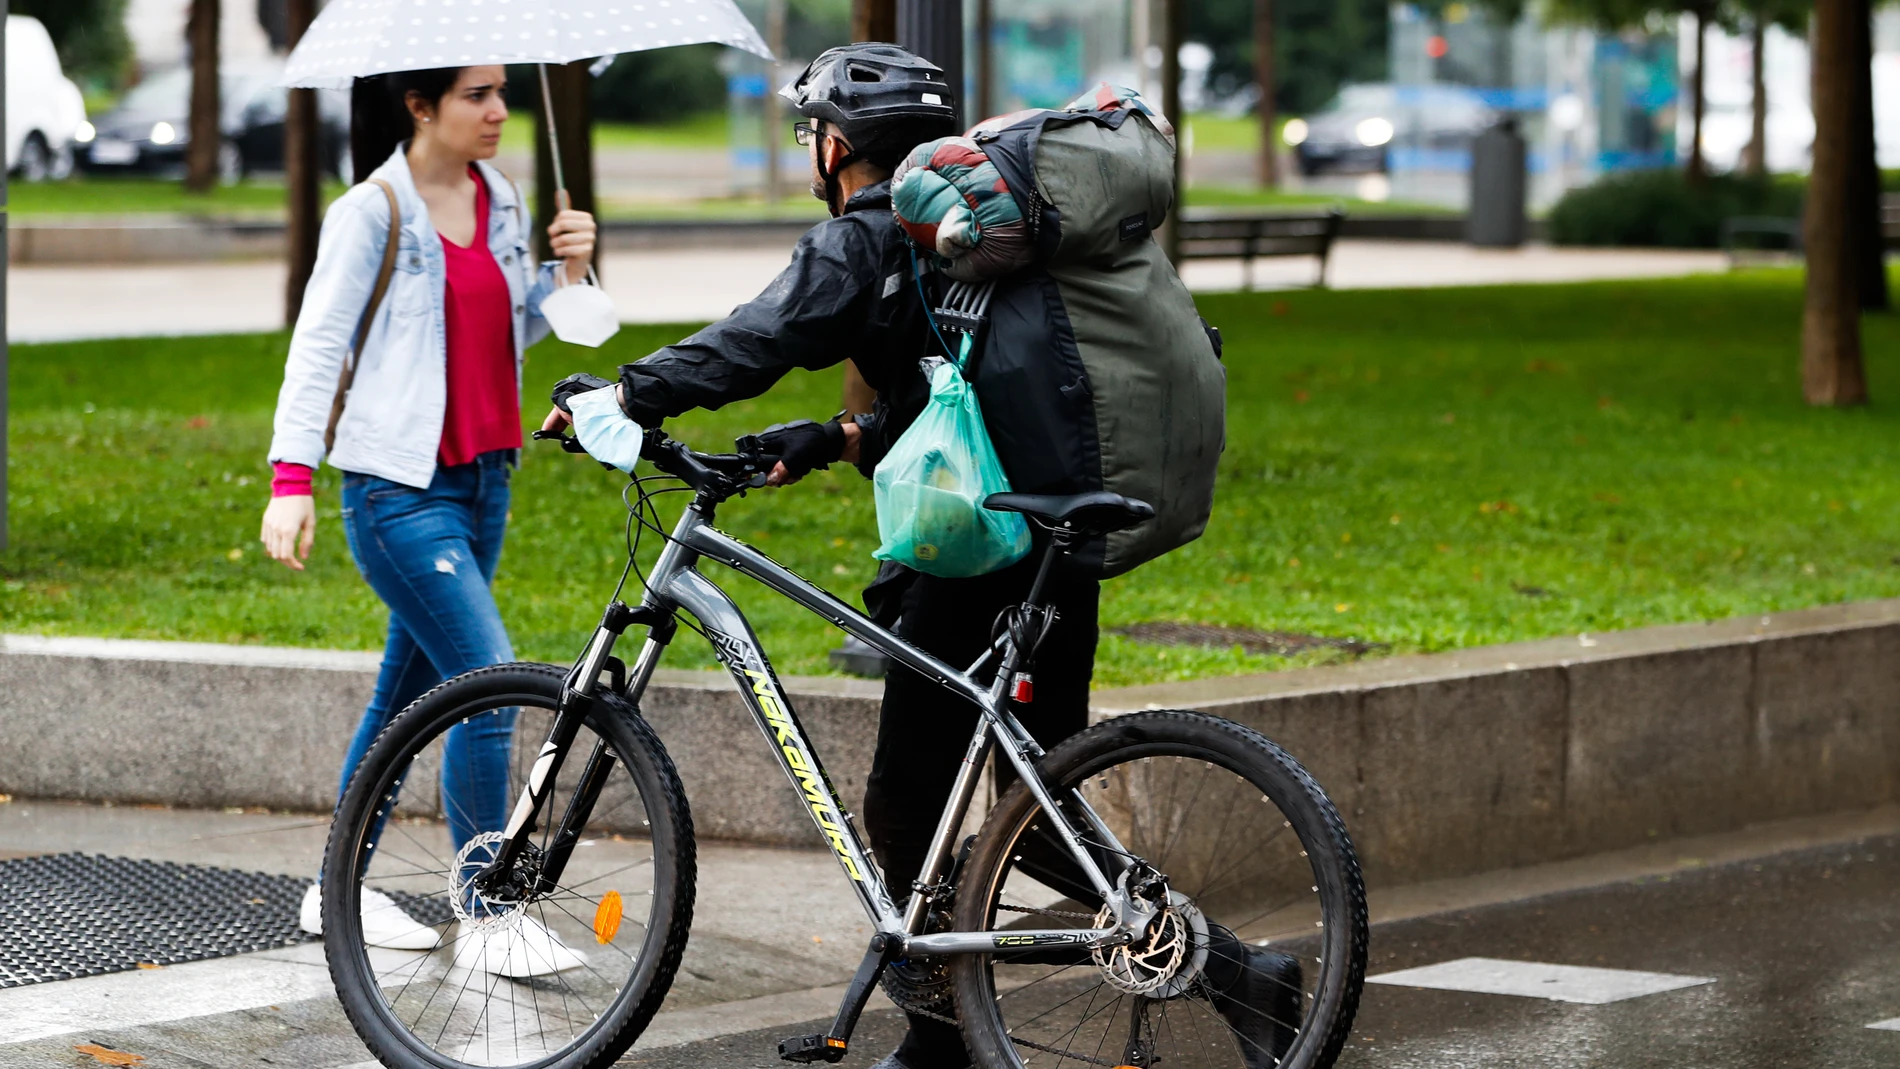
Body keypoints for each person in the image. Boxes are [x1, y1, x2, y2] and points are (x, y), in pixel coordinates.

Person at [544, 43, 1296, 1069]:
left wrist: (624, 394)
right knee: (1025, 810)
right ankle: (1037, 1015)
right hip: (1046, 536)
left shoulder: (868, 236)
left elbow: (761, 335)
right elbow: (955, 379)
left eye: (814, 134)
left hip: (973, 558)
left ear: (834, 144)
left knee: (912, 801)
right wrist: (832, 437)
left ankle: (1061, 1005)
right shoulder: (961, 238)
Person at [261, 64, 597, 977]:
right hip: (396, 488)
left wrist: (568, 268)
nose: (497, 112)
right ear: (420, 106)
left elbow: (514, 330)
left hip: (486, 480)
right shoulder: (372, 210)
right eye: (475, 96)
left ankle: (334, 887)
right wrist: (291, 477)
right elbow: (320, 342)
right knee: (487, 683)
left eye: (500, 94)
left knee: (401, 695)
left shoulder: (503, 198)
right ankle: (490, 909)